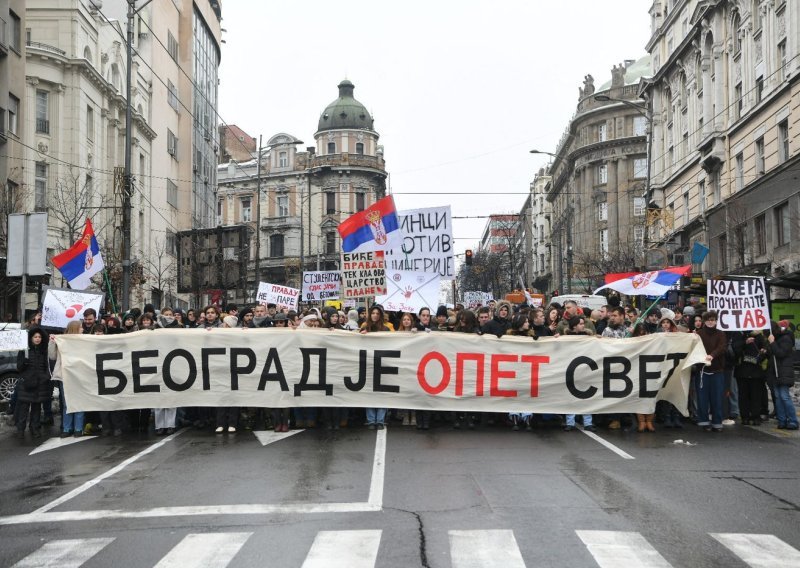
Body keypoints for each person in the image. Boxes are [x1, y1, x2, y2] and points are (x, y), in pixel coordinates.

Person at [14, 327, 52, 438]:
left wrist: (46, 377)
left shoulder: (44, 351)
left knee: (36, 408)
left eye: (39, 337)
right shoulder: (24, 350)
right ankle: (20, 430)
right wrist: (24, 364)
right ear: (31, 338)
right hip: (27, 383)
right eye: (35, 337)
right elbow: (18, 367)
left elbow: (47, 366)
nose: (37, 339)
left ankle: (34, 428)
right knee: (23, 408)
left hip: (40, 383)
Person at [50, 321, 86, 437]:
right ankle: (67, 428)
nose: (83, 329)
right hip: (64, 375)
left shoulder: (84, 341)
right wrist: (52, 342)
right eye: (80, 327)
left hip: (79, 375)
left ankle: (78, 428)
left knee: (80, 402)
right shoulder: (63, 341)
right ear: (75, 329)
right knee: (67, 403)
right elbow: (52, 356)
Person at [696, 311, 727, 433]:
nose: (710, 321)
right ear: (704, 321)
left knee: (717, 398)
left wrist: (712, 355)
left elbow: (722, 347)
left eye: (713, 319)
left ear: (716, 321)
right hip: (702, 371)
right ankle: (704, 421)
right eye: (708, 319)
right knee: (702, 399)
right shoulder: (698, 334)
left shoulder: (721, 334)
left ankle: (717, 422)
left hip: (717, 370)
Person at [361, 305, 390, 429]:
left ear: (381, 315)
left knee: (382, 392)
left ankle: (380, 419)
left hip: (382, 363)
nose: (375, 315)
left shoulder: (386, 329)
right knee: (369, 392)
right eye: (373, 313)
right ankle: (371, 420)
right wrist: (361, 335)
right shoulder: (364, 327)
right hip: (367, 363)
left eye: (377, 313)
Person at [732, 330, 768, 426]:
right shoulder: (739, 335)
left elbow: (766, 351)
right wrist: (745, 343)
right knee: (743, 395)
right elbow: (735, 350)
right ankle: (745, 417)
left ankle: (755, 416)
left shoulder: (760, 337)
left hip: (756, 372)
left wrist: (762, 354)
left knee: (756, 396)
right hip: (742, 371)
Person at [767, 320, 799, 430]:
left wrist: (772, 343)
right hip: (775, 372)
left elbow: (780, 353)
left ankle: (793, 420)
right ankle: (782, 420)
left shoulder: (786, 338)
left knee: (784, 396)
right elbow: (772, 354)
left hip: (783, 372)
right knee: (778, 397)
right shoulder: (775, 338)